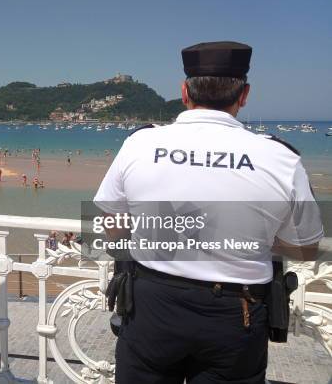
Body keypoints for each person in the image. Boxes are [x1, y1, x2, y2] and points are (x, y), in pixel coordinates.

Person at [94, 41, 323, 383]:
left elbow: (112, 225)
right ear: (244, 95)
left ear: (185, 92)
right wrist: (259, 240)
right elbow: (306, 248)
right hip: (236, 314)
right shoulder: (281, 158)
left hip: (152, 305)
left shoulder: (140, 144)